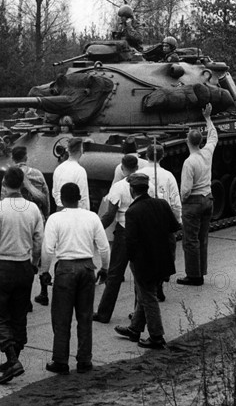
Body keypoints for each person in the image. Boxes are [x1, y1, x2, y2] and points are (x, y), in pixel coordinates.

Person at [0, 167, 44, 385]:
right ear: (23, 184)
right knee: (18, 313)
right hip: (24, 267)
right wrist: (34, 264)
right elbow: (39, 241)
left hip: (3, 266)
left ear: (4, 184)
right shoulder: (33, 209)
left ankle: (12, 359)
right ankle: (14, 357)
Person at [41, 183, 110, 375]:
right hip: (87, 267)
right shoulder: (92, 217)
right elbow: (104, 247)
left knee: (62, 318)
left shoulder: (55, 219)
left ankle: (61, 360)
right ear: (79, 198)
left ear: (61, 199)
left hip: (65, 268)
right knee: (85, 316)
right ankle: (84, 360)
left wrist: (44, 271)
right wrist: (104, 268)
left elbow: (47, 249)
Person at [114, 173, 180, 350]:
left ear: (131, 189)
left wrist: (133, 261)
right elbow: (174, 228)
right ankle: (135, 329)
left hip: (144, 262)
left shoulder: (133, 212)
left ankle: (156, 336)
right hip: (163, 259)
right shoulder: (162, 204)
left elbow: (131, 242)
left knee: (148, 297)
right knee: (145, 294)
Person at [93, 154, 139, 323]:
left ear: (122, 167)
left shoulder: (119, 186)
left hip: (123, 232)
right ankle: (137, 313)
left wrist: (94, 229)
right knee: (139, 274)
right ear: (136, 167)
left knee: (114, 274)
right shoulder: (146, 184)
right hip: (140, 232)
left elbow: (110, 215)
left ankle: (104, 313)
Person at [178, 104, 217, 286]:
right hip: (208, 199)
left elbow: (185, 189)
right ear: (199, 141)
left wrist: (182, 203)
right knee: (202, 238)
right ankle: (201, 271)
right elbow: (214, 136)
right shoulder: (207, 152)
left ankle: (194, 276)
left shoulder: (189, 162)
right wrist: (208, 118)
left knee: (190, 240)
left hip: (193, 202)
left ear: (188, 141)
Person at [8, 146, 50, 306]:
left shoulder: (10, 175)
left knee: (21, 255)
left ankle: (24, 298)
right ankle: (44, 291)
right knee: (39, 254)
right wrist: (45, 215)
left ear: (13, 158)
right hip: (37, 216)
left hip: (18, 218)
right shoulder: (37, 174)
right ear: (27, 157)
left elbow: (4, 198)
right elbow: (45, 196)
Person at [139, 144, 182, 301]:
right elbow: (175, 201)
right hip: (163, 219)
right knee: (166, 251)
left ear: (146, 156)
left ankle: (152, 286)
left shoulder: (139, 174)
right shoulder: (168, 175)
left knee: (147, 254)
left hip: (144, 219)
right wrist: (177, 221)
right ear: (163, 156)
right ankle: (160, 283)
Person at [52, 137, 89, 211]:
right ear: (81, 150)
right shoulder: (80, 171)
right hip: (75, 211)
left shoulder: (58, 169)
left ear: (68, 151)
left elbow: (55, 192)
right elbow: (83, 198)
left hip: (59, 209)